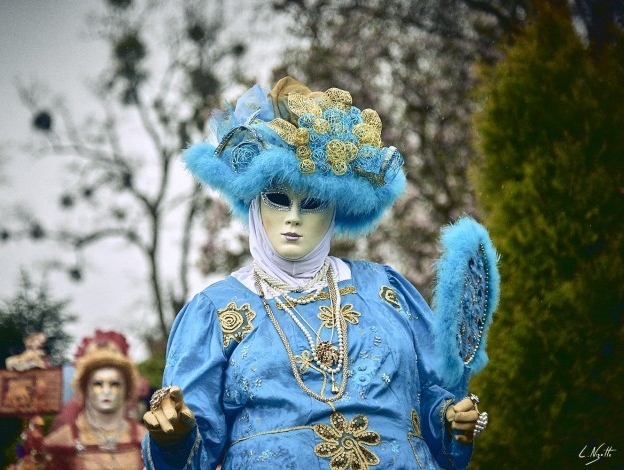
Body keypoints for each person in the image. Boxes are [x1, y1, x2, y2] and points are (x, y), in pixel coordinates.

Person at [142, 77, 488, 469]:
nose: (292, 217)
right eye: (277, 199)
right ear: (254, 203)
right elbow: (192, 448)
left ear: (335, 207)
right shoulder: (215, 312)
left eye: (312, 202)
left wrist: (452, 419)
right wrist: (174, 438)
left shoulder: (386, 291)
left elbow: (433, 396)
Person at [43, 330, 147, 469]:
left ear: (126, 389)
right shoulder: (63, 440)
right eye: (97, 384)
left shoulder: (145, 439)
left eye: (114, 384)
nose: (106, 391)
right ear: (85, 389)